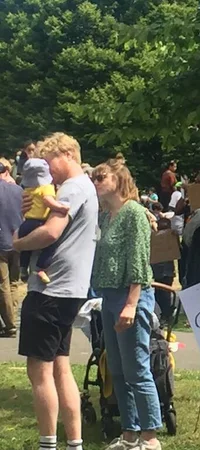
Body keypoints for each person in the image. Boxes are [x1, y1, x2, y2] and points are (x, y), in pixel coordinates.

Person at [12, 133, 98, 450]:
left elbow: (50, 232)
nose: (49, 172)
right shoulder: (82, 187)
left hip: (52, 290)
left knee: (39, 371)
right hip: (69, 289)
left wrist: (17, 243)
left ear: (66, 154)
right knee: (60, 366)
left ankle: (48, 444)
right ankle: (73, 443)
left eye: (50, 163)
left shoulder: (73, 187)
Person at [91, 159, 162, 450]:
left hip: (131, 295)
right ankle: (130, 432)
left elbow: (138, 261)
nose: (95, 182)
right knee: (117, 370)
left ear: (118, 180)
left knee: (137, 369)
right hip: (108, 296)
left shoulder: (134, 213)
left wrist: (131, 304)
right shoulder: (106, 215)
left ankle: (151, 436)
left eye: (100, 177)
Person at [18, 156, 70, 284]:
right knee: (50, 244)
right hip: (39, 222)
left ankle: (23, 267)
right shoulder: (46, 187)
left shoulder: (27, 189)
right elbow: (48, 201)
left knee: (26, 247)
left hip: (27, 222)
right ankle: (41, 268)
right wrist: (60, 207)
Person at [0, 157, 23, 338]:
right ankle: (12, 319)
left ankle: (9, 324)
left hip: (1, 242)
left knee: (3, 284)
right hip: (18, 239)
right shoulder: (18, 190)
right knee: (15, 282)